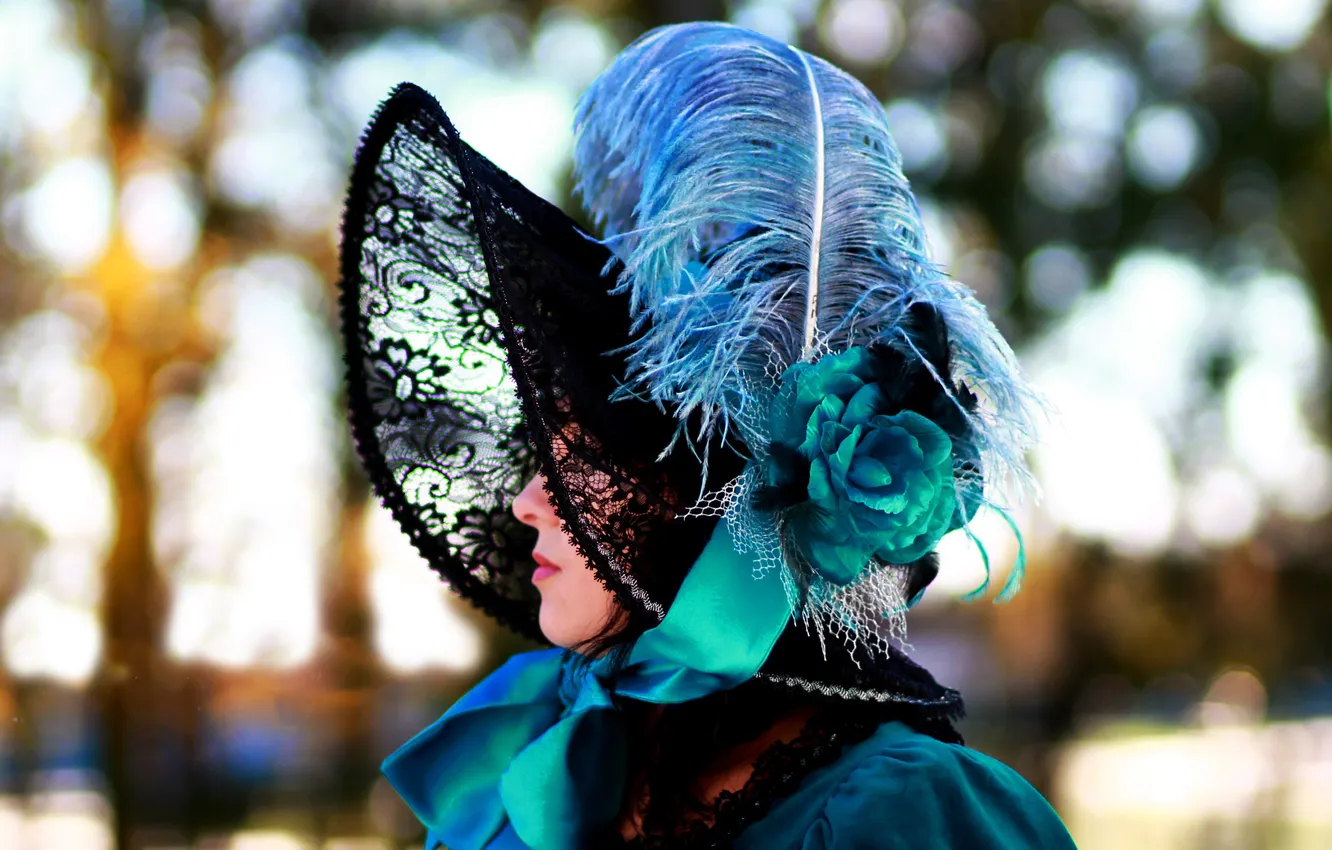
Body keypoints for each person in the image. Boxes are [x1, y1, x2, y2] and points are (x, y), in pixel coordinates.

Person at [339, 21, 1078, 850]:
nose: (528, 502)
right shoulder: (546, 778)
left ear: (699, 500)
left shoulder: (904, 813)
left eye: (576, 459)